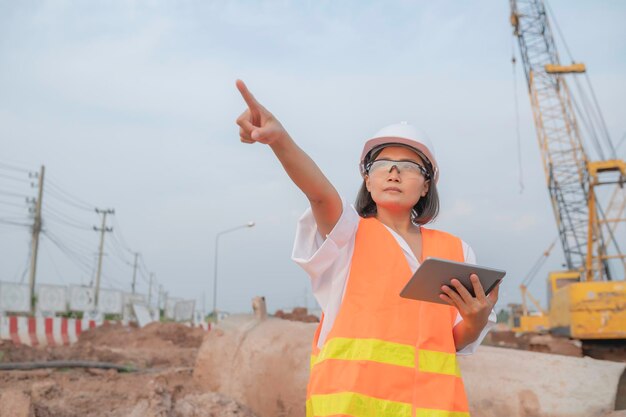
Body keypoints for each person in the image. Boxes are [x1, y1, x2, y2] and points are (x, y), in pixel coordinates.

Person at [235, 79, 498, 417]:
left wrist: (476, 320)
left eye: (408, 166)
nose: (393, 172)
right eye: (381, 165)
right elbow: (319, 194)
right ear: (368, 180)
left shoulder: (457, 251)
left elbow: (449, 343)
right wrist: (279, 140)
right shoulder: (347, 234)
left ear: (426, 184)